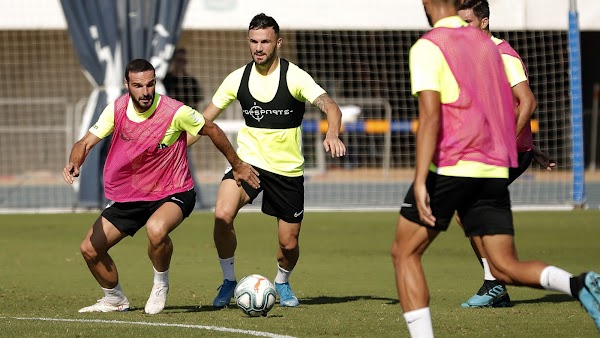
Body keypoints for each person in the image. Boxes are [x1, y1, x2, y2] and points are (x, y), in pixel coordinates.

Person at [390, 1, 600, 337]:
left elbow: (430, 117)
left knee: (404, 253)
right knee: (504, 267)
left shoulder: (429, 46)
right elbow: (504, 104)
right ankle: (579, 285)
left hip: (452, 165)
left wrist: (419, 179)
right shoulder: (489, 46)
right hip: (490, 170)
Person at [62, 59, 259, 315]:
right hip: (133, 194)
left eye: (150, 84)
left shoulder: (174, 111)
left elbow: (212, 129)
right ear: (127, 85)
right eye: (138, 86)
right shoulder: (117, 110)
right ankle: (114, 299)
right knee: (90, 249)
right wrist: (74, 162)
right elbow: (84, 143)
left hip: (174, 189)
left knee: (156, 229)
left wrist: (238, 165)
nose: (145, 91)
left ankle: (160, 284)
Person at [189, 13, 346, 309]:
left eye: (265, 42)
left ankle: (282, 281)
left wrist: (333, 133)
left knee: (289, 243)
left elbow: (330, 106)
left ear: (278, 43)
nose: (259, 48)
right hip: (249, 164)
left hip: (286, 171)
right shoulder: (237, 79)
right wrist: (171, 147)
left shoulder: (295, 76)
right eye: (254, 42)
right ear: (248, 42)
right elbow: (203, 121)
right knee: (222, 214)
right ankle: (229, 280)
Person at [457, 0, 556, 308]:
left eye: (469, 23)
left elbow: (527, 101)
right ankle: (496, 283)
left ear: (484, 23)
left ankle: (496, 281)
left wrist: (510, 143)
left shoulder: (502, 54)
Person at [163, 47, 205, 209]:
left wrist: (191, 129)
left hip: (184, 131)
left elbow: (196, 107)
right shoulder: (165, 81)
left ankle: (195, 199)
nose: (182, 64)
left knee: (185, 164)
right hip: (166, 130)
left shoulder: (191, 82)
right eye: (179, 60)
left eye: (184, 60)